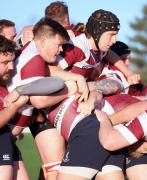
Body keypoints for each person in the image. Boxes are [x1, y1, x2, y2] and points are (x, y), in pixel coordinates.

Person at [6, 17, 88, 180]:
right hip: (4, 136)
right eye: (58, 45)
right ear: (43, 42)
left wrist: (75, 78)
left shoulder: (32, 51)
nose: (60, 51)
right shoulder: (35, 61)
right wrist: (70, 88)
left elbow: (47, 75)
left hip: (8, 138)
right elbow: (39, 100)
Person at [0, 35, 29, 180]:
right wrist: (17, 104)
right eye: (5, 62)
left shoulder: (4, 84)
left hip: (7, 140)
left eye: (12, 61)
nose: (11, 67)